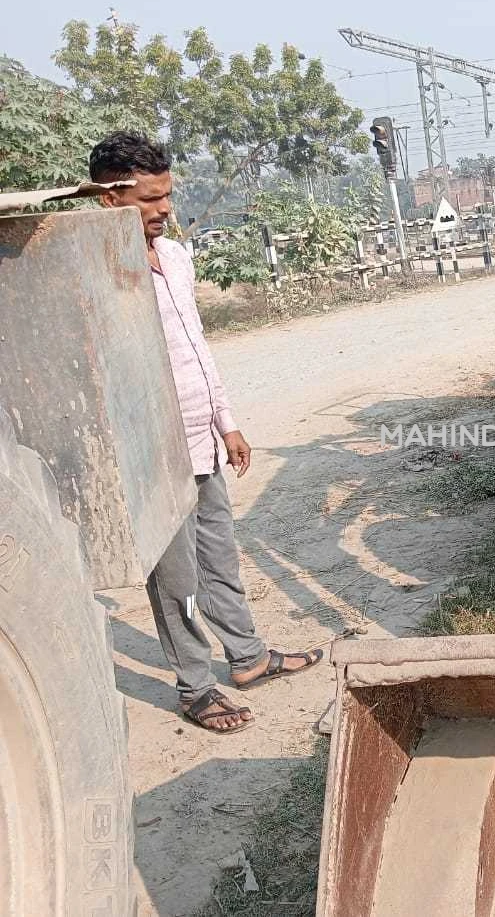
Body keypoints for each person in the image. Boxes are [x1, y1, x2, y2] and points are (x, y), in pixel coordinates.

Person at [90, 131, 321, 734]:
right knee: (176, 580)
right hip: (149, 452)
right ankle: (195, 687)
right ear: (108, 199)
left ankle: (246, 658)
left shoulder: (179, 259)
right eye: (149, 200)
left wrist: (228, 422)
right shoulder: (96, 273)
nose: (165, 209)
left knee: (220, 558)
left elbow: (197, 347)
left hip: (202, 439)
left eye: (167, 195)